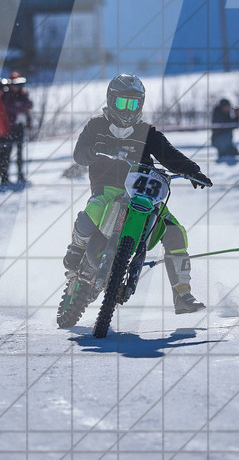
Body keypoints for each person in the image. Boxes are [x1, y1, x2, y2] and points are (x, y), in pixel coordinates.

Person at [65, 74, 213, 314]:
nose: (127, 109)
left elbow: (169, 154)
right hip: (108, 187)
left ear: (141, 105)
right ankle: (76, 249)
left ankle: (183, 294)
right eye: (122, 102)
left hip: (142, 193)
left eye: (133, 103)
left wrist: (192, 171)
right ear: (111, 101)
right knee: (95, 207)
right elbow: (79, 154)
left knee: (175, 231)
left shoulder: (147, 132)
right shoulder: (96, 125)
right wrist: (95, 149)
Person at [1, 71, 33, 182]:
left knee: (20, 153)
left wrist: (20, 107)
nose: (17, 87)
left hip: (20, 127)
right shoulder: (7, 95)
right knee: (7, 153)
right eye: (15, 84)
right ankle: (4, 177)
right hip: (10, 128)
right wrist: (20, 107)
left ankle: (20, 174)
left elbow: (29, 105)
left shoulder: (22, 94)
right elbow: (8, 107)